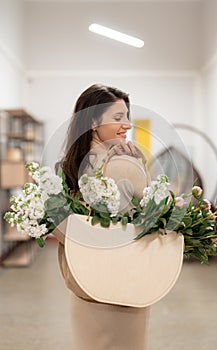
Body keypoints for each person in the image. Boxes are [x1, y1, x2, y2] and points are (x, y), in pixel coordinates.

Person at [54, 84, 151, 350]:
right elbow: (149, 214)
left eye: (127, 117)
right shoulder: (122, 163)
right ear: (94, 121)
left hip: (84, 283)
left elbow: (60, 227)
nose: (127, 125)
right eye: (118, 118)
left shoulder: (68, 166)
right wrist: (141, 168)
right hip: (124, 287)